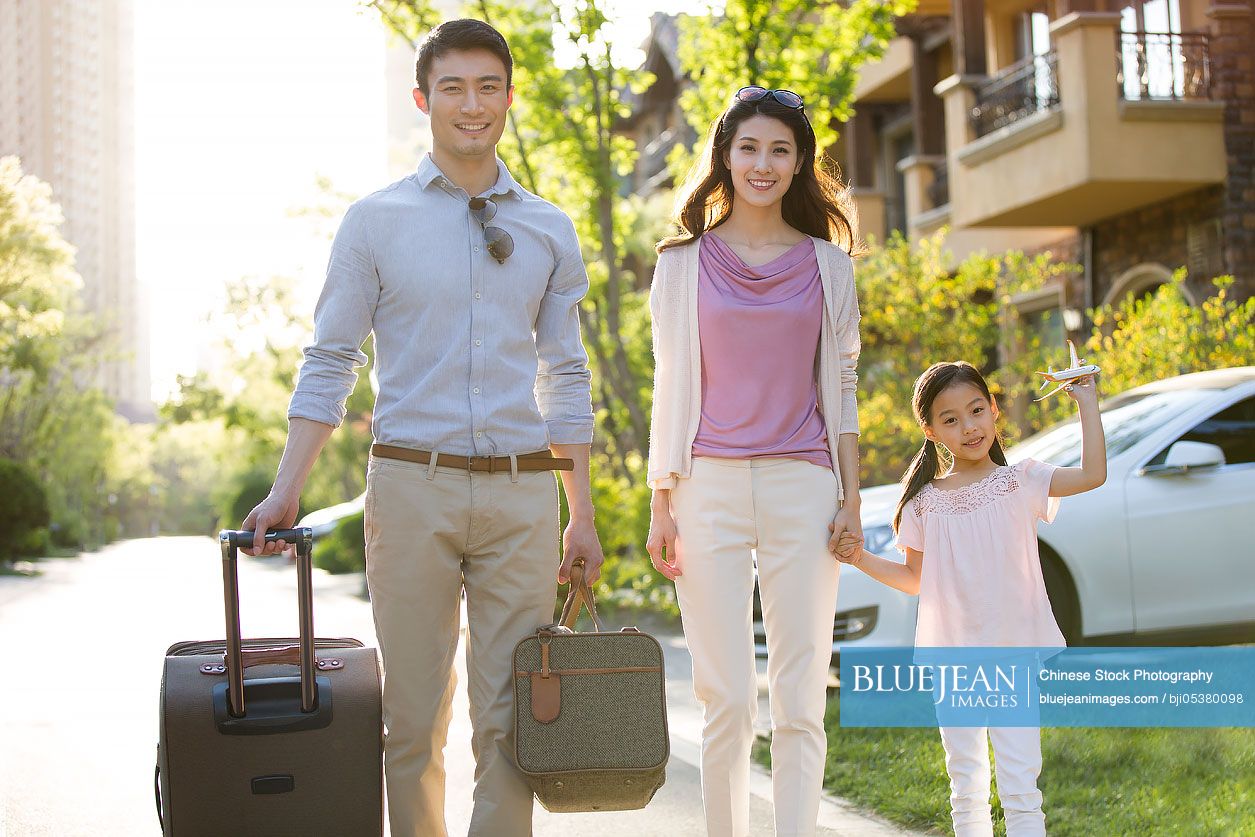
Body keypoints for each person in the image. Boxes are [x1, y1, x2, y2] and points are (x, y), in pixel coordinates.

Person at [240, 18, 604, 837]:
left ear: (509, 97)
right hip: (411, 488)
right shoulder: (373, 222)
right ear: (422, 100)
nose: (471, 105)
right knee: (411, 721)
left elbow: (566, 373)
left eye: (486, 87)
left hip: (521, 494)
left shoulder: (549, 226)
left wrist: (579, 509)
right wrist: (283, 491)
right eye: (452, 88)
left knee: (512, 722)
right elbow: (331, 359)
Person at [644, 85, 864, 837]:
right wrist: (659, 500)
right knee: (727, 696)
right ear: (725, 157)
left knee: (799, 699)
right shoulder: (681, 264)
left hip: (804, 483)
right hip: (705, 485)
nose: (763, 163)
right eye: (749, 148)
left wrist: (851, 499)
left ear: (799, 161)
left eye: (779, 149)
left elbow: (841, 384)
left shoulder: (828, 266)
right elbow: (668, 382)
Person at [834, 360, 1107, 837]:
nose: (969, 426)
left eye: (976, 410)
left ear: (994, 410)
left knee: (1022, 786)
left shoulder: (1021, 480)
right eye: (951, 419)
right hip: (952, 658)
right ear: (931, 430)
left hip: (1012, 655)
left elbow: (1093, 474)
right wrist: (859, 559)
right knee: (967, 786)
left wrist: (1087, 402)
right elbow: (915, 579)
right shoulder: (923, 503)